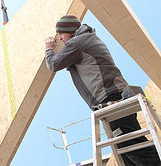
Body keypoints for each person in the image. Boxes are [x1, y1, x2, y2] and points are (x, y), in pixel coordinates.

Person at [45, 14, 160, 165]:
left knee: (132, 146)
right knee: (126, 153)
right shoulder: (87, 39)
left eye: (61, 33)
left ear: (70, 30)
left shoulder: (77, 43)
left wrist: (49, 49)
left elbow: (54, 64)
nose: (59, 38)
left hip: (110, 99)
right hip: (114, 96)